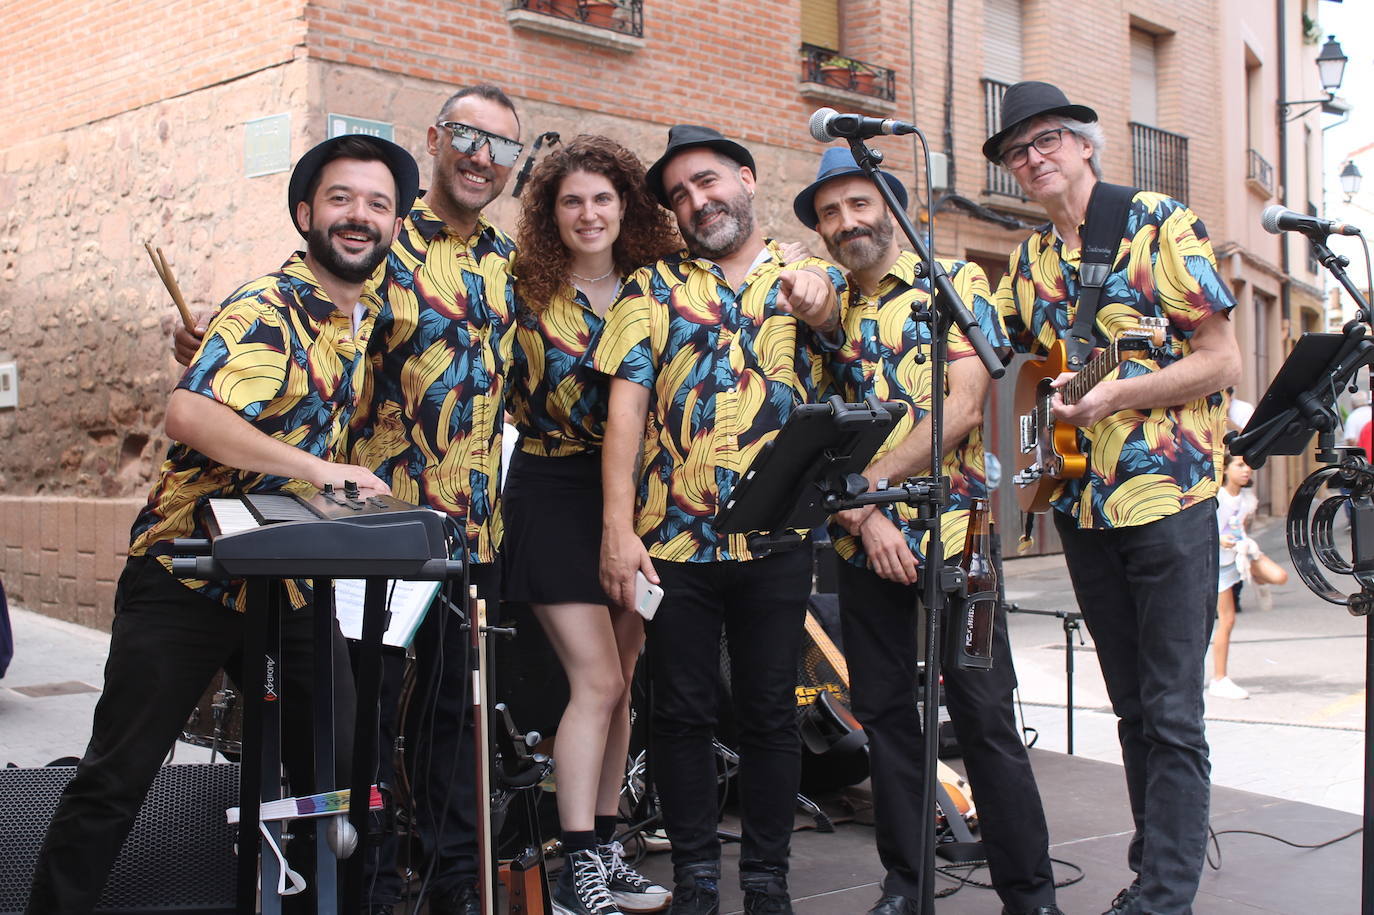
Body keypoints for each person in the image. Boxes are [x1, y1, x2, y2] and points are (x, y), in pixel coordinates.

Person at [27, 134, 417, 915]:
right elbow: (189, 411)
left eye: (379, 204)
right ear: (305, 212)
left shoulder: (360, 320)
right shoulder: (267, 303)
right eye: (341, 198)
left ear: (395, 224)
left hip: (290, 584)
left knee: (339, 781)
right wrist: (318, 469)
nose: (359, 216)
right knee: (117, 776)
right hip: (189, 575)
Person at [173, 84, 524, 915]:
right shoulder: (383, 239)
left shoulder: (509, 264)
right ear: (436, 137)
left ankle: (452, 892)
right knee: (358, 732)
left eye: (502, 147)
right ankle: (361, 891)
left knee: (450, 728)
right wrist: (206, 335)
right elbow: (291, 310)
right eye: (468, 137)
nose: (481, 157)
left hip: (470, 535)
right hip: (372, 532)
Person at [987, 81, 1241, 915]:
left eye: (1046, 140)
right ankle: (1155, 861)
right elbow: (1018, 379)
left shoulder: (1158, 222)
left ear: (1085, 143)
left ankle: (1164, 896)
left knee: (1172, 706)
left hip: (1169, 499)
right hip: (1084, 509)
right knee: (1132, 705)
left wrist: (1118, 396)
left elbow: (1221, 359)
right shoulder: (1027, 264)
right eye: (1017, 152)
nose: (1033, 159)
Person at [789, 147, 1063, 915]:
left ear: (890, 204)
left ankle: (1030, 896)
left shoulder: (957, 281)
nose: (846, 222)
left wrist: (870, 490)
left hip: (960, 534)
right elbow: (814, 431)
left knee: (983, 714)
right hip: (858, 540)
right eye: (830, 212)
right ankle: (906, 886)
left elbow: (968, 401)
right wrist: (866, 515)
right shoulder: (823, 310)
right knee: (884, 719)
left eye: (858, 203)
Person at [590, 125, 845, 915]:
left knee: (773, 708)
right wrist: (617, 527)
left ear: (744, 177)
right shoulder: (651, 288)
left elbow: (840, 328)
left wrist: (821, 304)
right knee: (683, 710)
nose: (698, 202)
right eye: (680, 197)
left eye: (707, 182)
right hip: (674, 541)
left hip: (777, 535)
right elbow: (624, 415)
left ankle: (767, 877)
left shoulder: (808, 272)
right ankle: (697, 870)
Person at [506, 135, 680, 915]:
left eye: (603, 198)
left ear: (627, 207)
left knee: (623, 685)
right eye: (571, 200)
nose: (588, 213)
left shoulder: (656, 287)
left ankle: (605, 851)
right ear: (551, 212)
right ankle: (576, 866)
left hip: (637, 499)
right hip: (550, 488)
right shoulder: (521, 292)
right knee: (597, 678)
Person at [1210, 452, 1287, 700]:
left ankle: (1257, 579)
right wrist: (1221, 539)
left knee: (1280, 576)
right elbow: (1208, 529)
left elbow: (1239, 527)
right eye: (1239, 465)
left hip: (1239, 555)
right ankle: (1219, 678)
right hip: (1217, 563)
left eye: (1248, 466)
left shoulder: (1246, 498)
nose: (1246, 470)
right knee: (1227, 620)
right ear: (1225, 469)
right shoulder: (1217, 497)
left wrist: (1244, 544)